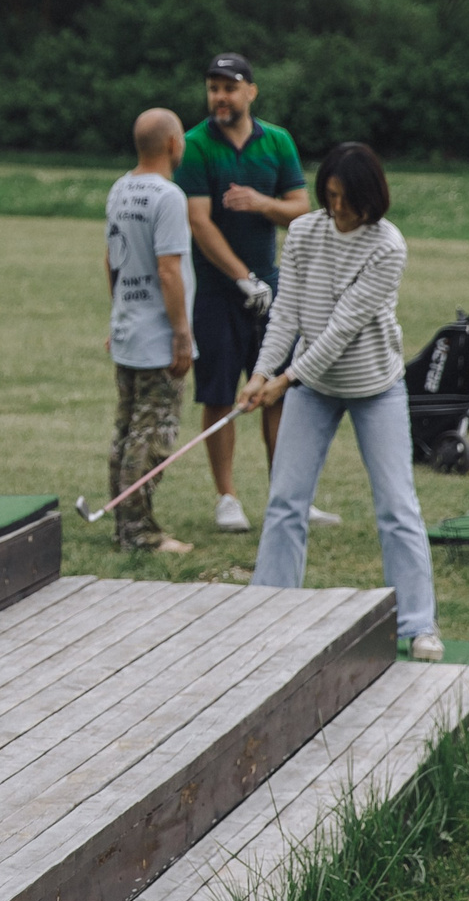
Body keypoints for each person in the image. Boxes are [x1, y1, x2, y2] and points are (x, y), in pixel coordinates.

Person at [237, 143, 443, 661]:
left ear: (371, 199)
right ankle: (268, 609)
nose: (337, 209)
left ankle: (418, 625)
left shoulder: (387, 246)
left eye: (347, 200)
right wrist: (261, 371)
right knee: (286, 500)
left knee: (397, 506)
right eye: (329, 196)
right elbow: (286, 311)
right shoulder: (305, 231)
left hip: (375, 386)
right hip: (314, 389)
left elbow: (342, 330)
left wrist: (285, 380)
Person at [177, 53, 330, 533]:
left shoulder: (278, 141)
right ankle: (227, 498)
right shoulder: (196, 145)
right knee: (220, 393)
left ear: (251, 92)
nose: (220, 97)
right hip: (217, 292)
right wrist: (243, 277)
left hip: (275, 288)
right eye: (213, 88)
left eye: (229, 87)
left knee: (277, 392)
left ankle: (288, 497)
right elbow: (197, 220)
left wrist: (262, 203)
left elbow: (302, 208)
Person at [100, 108, 196, 553]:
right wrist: (182, 333)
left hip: (127, 328)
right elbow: (169, 270)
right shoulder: (168, 196)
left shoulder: (120, 189)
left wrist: (118, 312)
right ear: (174, 144)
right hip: (158, 337)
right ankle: (140, 534)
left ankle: (123, 523)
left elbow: (111, 259)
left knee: (125, 430)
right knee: (152, 435)